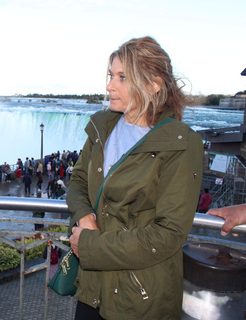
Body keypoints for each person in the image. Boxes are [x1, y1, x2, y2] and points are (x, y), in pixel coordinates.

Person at [66, 36, 203, 319]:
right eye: (110, 75)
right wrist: (85, 217)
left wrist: (90, 244)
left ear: (154, 85)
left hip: (140, 296)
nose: (109, 85)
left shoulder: (180, 143)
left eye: (123, 77)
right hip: (93, 289)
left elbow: (168, 234)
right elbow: (78, 181)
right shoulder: (102, 126)